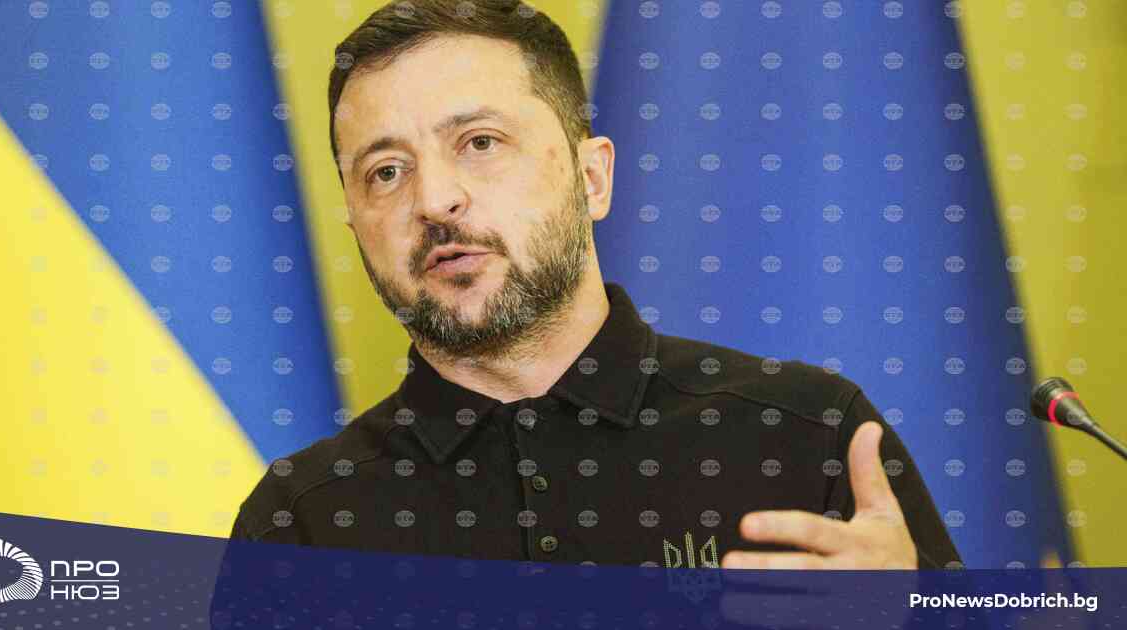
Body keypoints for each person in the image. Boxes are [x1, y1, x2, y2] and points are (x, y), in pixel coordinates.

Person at [226, 0, 961, 570]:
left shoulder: (806, 435)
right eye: (386, 171)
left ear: (592, 178)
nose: (434, 200)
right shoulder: (300, 524)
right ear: (356, 225)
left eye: (479, 143)